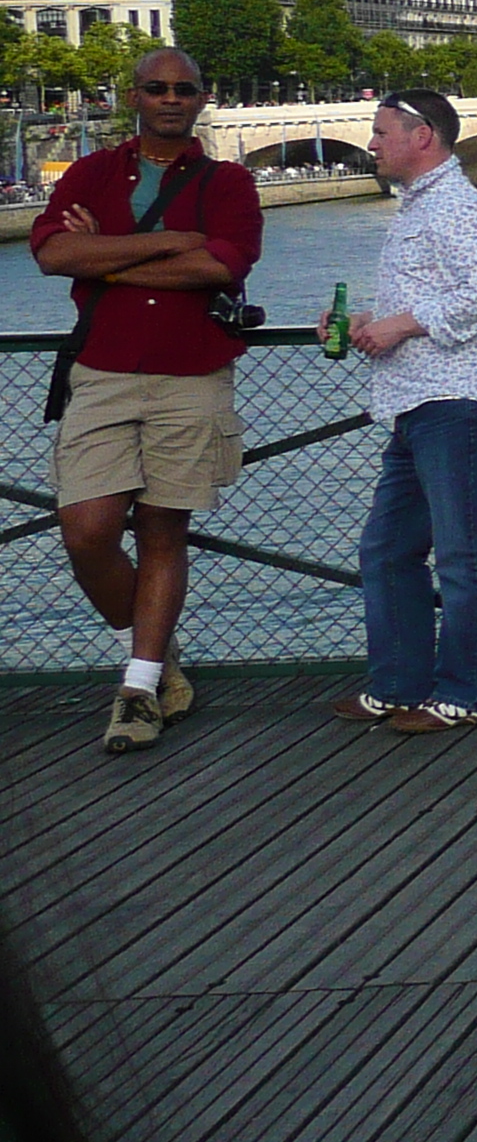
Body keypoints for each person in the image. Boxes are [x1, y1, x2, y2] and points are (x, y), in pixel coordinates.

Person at [29, 48, 261, 753]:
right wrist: (170, 243)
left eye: (182, 89)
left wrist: (110, 253)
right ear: (134, 97)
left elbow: (221, 264)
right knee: (87, 530)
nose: (169, 99)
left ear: (200, 99)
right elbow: (51, 255)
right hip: (101, 370)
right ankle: (159, 654)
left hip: (190, 372)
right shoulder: (92, 172)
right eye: (157, 88)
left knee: (163, 531)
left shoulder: (229, 181)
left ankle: (140, 685)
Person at [324, 90, 477, 734]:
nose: (373, 144)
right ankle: (401, 683)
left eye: (381, 132)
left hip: (457, 400)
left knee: (464, 557)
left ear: (423, 136)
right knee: (387, 550)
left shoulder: (458, 206)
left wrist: (400, 325)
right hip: (416, 400)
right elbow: (436, 299)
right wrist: (361, 323)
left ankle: (468, 691)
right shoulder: (418, 207)